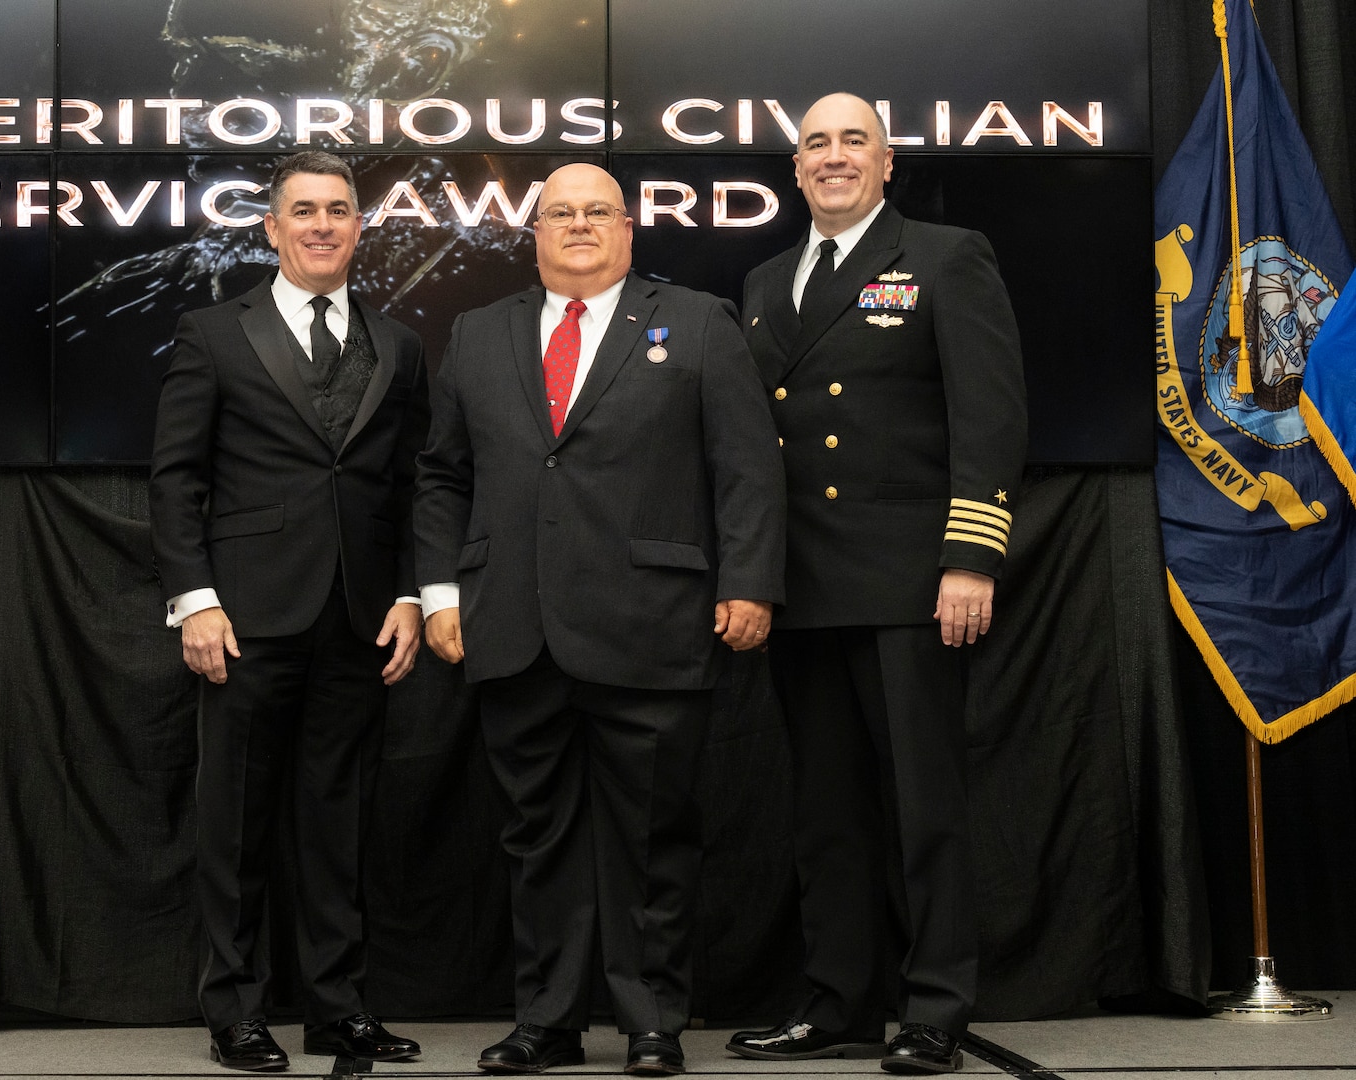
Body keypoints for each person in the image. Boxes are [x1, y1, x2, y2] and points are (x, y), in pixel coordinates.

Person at [415, 163, 786, 1076]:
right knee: (534, 836)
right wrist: (439, 593)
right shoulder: (476, 333)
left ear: (628, 229)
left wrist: (749, 583)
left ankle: (650, 1022)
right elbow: (442, 476)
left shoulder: (697, 320)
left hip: (653, 622)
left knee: (653, 835)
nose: (577, 226)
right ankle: (546, 1021)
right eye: (559, 214)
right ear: (532, 232)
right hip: (512, 624)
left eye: (596, 212)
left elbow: (745, 467)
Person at [726, 93, 1026, 1075]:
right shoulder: (765, 281)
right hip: (801, 587)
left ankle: (934, 1005)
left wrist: (969, 557)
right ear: (795, 165)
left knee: (922, 807)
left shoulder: (944, 256)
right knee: (823, 813)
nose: (832, 157)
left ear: (885, 161)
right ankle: (839, 1004)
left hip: (908, 582)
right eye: (814, 143)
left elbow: (989, 419)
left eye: (852, 140)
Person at [149, 150, 429, 1072]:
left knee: (337, 821)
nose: (320, 225)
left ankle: (337, 1009)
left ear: (358, 228)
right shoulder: (211, 333)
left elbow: (409, 485)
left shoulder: (398, 345)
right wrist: (195, 601)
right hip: (244, 619)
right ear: (271, 228)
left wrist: (406, 593)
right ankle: (234, 1010)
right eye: (302, 210)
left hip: (357, 619)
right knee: (233, 823)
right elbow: (177, 479)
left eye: (338, 210)